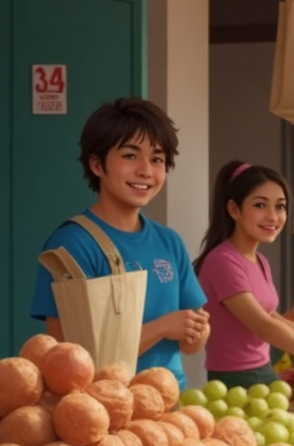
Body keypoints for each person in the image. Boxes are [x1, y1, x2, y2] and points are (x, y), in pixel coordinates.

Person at [30, 98, 210, 385]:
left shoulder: (170, 241)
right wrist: (162, 327)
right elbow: (68, 358)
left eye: (157, 159)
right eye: (130, 156)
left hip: (173, 408)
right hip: (106, 409)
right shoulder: (71, 244)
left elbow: (190, 345)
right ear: (97, 164)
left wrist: (197, 331)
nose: (145, 170)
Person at [194, 160, 294, 389]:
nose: (273, 216)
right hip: (234, 383)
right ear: (234, 209)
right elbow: (263, 326)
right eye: (260, 205)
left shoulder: (260, 262)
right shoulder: (222, 261)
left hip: (265, 374)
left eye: (280, 206)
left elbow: (273, 321)